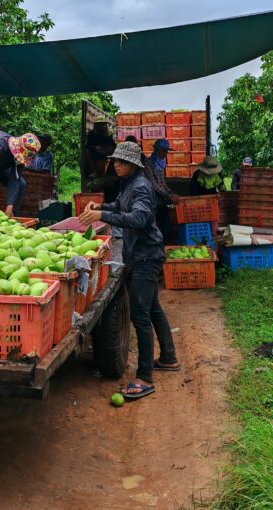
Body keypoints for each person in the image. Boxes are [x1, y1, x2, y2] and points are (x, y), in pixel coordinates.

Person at [78, 141, 179, 400]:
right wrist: (99, 208)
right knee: (153, 308)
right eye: (115, 161)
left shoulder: (142, 187)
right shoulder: (129, 185)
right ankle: (168, 357)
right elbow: (120, 207)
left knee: (141, 316)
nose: (116, 165)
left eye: (121, 162)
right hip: (140, 254)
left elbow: (139, 219)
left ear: (133, 165)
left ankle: (145, 377)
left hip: (146, 257)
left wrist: (103, 216)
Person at [147, 139, 179, 240]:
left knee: (165, 224)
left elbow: (162, 183)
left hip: (160, 198)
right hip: (150, 197)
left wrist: (171, 193)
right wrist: (168, 195)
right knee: (153, 224)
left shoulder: (161, 163)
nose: (165, 154)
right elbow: (153, 184)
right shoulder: (148, 163)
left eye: (166, 151)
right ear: (156, 150)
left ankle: (165, 243)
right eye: (163, 151)